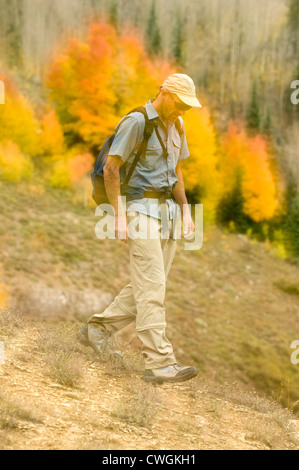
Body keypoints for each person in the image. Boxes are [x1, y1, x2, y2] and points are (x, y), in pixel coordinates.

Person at [79, 73, 202, 384]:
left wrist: (186, 212)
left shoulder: (178, 125)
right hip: (137, 211)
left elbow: (177, 171)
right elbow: (111, 168)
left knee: (151, 283)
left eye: (189, 106)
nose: (184, 110)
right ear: (164, 92)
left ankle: (98, 329)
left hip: (168, 214)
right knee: (151, 288)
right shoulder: (136, 121)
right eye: (181, 103)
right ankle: (159, 362)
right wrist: (118, 216)